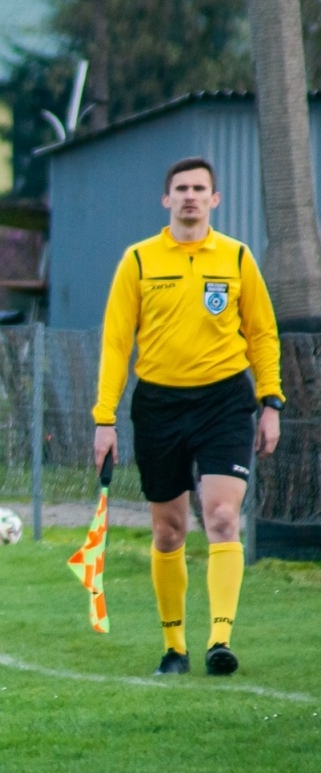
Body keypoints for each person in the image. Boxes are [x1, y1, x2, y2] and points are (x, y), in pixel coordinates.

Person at [92, 156, 283, 678]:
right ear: (166, 199)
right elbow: (115, 344)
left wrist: (271, 402)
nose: (191, 196)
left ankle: (219, 639)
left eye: (200, 188)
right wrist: (103, 419)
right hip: (158, 404)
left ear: (215, 200)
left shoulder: (238, 258)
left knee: (222, 517)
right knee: (169, 531)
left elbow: (263, 335)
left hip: (224, 401)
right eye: (181, 188)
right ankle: (174, 648)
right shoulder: (138, 260)